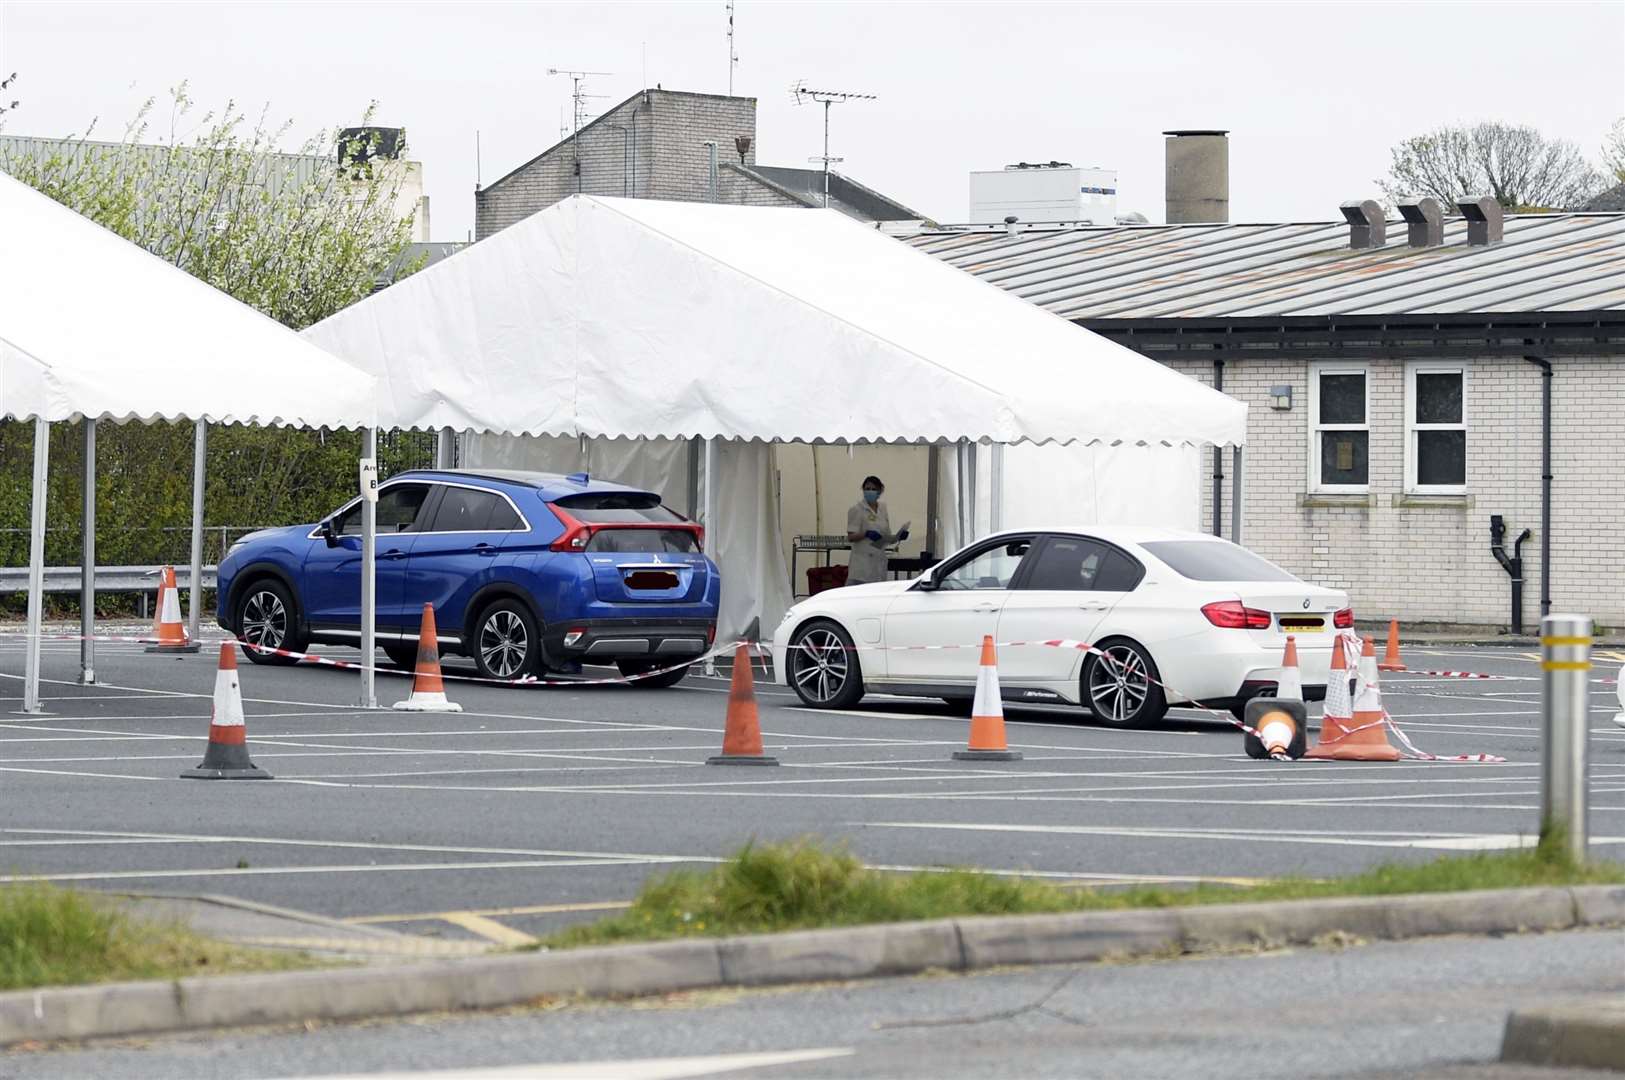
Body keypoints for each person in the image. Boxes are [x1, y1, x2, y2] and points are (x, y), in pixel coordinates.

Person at [845, 476, 909, 586]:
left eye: (873, 489)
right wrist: (866, 534)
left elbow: (884, 537)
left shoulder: (882, 509)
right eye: (867, 489)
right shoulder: (857, 509)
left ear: (880, 491)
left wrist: (897, 537)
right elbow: (851, 537)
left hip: (878, 562)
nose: (870, 491)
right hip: (862, 565)